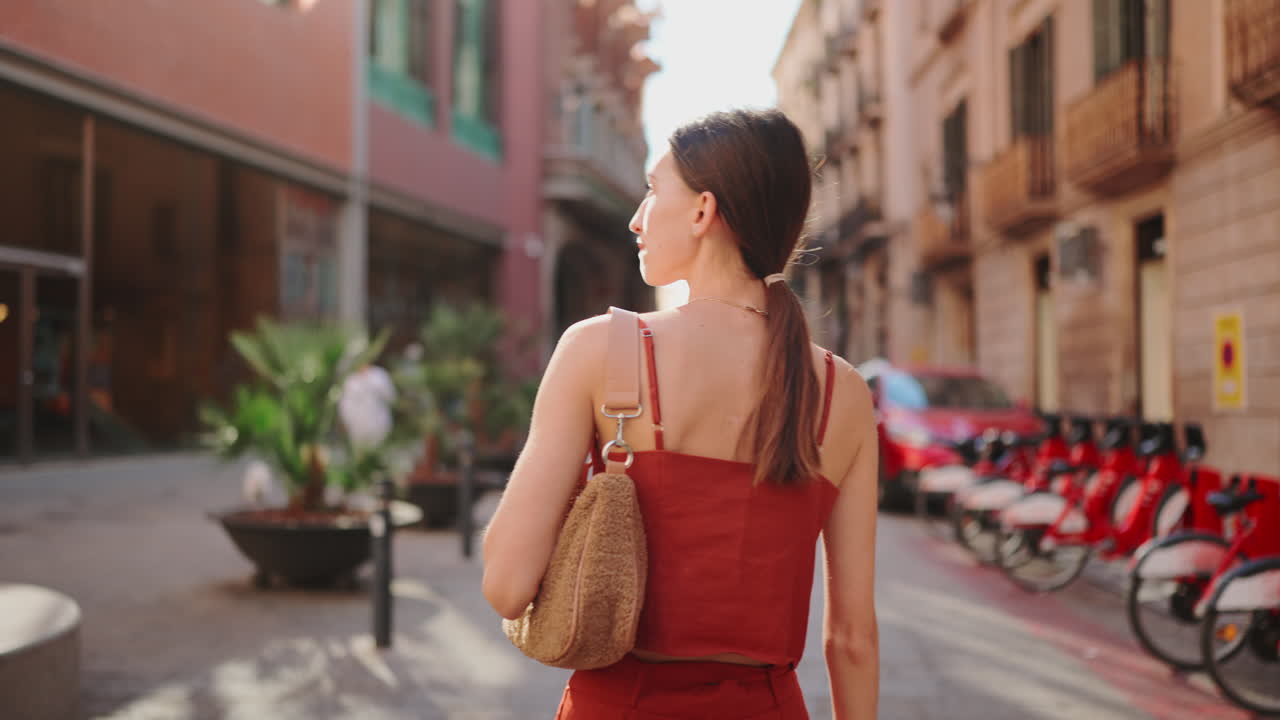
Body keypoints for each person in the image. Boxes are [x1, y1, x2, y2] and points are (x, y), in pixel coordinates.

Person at [482, 108, 879, 719]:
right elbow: (851, 637)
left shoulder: (599, 350)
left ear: (702, 212)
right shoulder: (844, 391)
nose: (637, 219)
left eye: (651, 190)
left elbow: (508, 586)